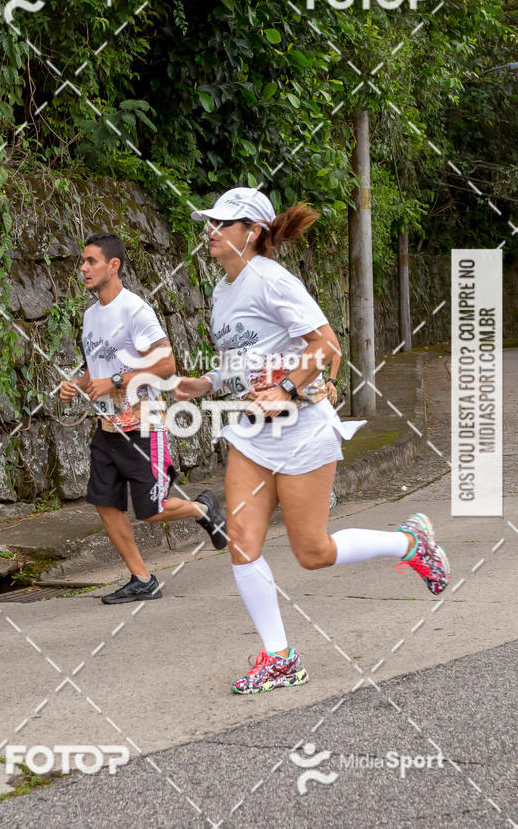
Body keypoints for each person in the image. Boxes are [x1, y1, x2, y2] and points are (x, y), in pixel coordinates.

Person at [175, 188, 450, 695]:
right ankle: (279, 657)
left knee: (313, 552)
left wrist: (286, 389)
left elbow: (326, 346)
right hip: (255, 435)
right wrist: (208, 383)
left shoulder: (271, 279)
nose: (210, 231)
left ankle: (412, 542)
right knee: (241, 540)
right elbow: (244, 360)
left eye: (222, 223)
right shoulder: (223, 290)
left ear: (252, 231)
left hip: (302, 431)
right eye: (208, 223)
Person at [59, 232, 226, 605]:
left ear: (113, 265)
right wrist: (75, 385)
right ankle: (142, 578)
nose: (83, 268)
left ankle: (203, 508)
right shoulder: (89, 315)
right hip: (107, 428)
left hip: (144, 426)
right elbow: (96, 370)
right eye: (82, 262)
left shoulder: (135, 311)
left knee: (151, 511)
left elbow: (166, 364)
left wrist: (116, 381)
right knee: (105, 504)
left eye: (91, 261)